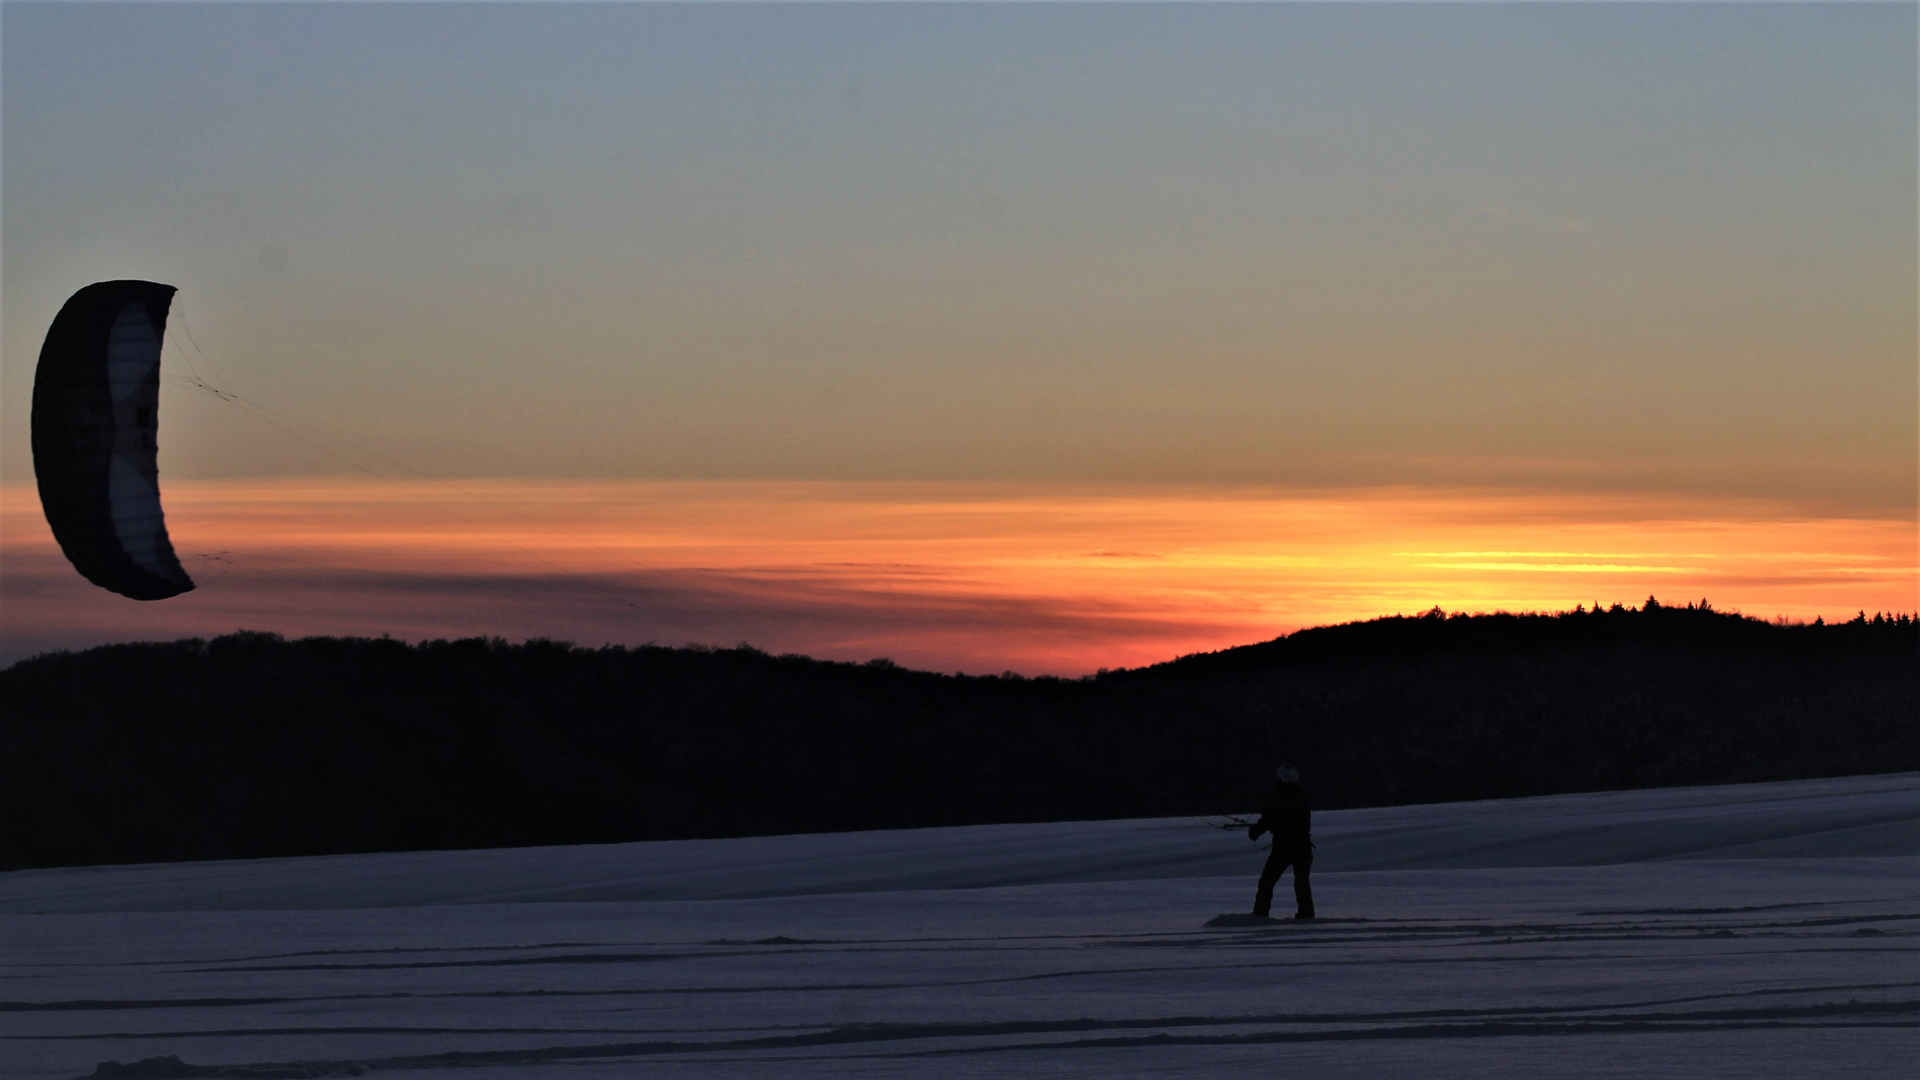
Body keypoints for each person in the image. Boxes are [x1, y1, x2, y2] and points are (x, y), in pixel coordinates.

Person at [1249, 763, 1315, 919]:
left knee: (1267, 882)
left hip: (1284, 848)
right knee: (1302, 884)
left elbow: (1268, 820)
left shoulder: (1278, 798)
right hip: (1303, 847)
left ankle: (1260, 914)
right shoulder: (1301, 797)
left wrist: (1256, 831)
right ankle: (1306, 915)